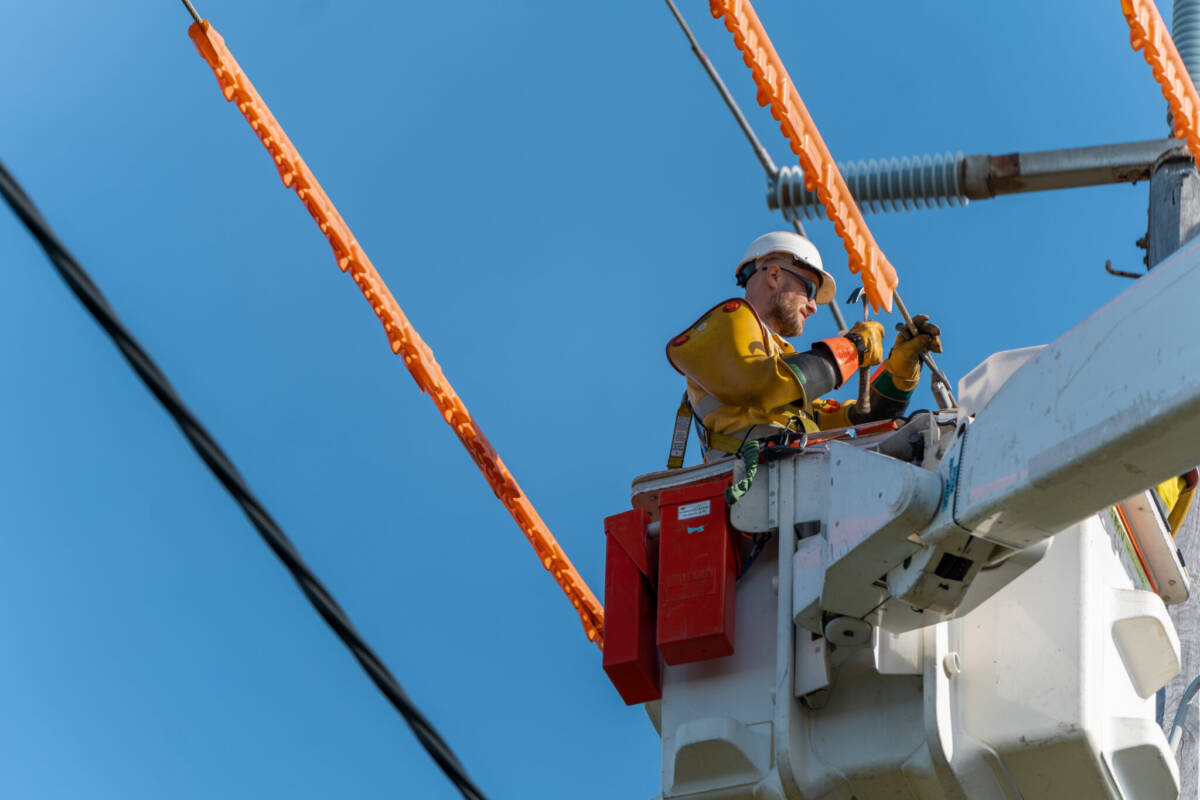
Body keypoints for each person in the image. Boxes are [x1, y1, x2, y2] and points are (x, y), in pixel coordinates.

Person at [666, 231, 942, 461]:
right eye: (810, 290)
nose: (813, 307)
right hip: (753, 477)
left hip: (792, 482)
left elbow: (860, 424)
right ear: (774, 275)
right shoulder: (726, 325)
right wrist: (852, 348)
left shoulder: (784, 370)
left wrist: (900, 373)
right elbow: (762, 384)